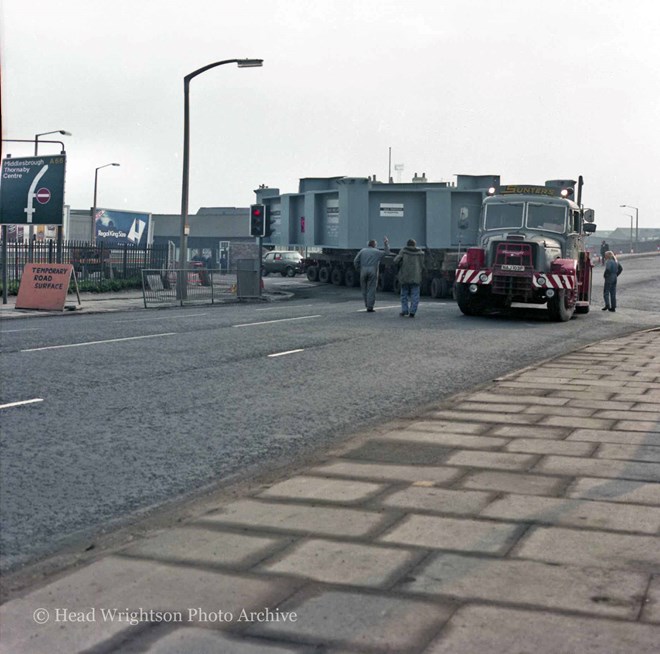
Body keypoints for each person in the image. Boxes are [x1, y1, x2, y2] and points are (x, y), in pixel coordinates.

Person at [353, 237, 390, 312]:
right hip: (373, 270)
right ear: (375, 245)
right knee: (371, 288)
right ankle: (370, 306)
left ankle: (366, 303)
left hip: (363, 269)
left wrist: (358, 268)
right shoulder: (377, 252)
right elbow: (387, 253)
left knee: (364, 288)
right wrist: (386, 244)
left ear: (368, 244)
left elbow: (355, 260)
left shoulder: (362, 251)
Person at [393, 238, 425, 317]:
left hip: (405, 275)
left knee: (404, 294)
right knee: (415, 295)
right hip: (416, 276)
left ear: (407, 244)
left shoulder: (403, 251)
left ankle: (404, 310)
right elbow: (422, 265)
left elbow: (396, 261)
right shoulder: (420, 253)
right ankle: (413, 311)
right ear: (415, 245)